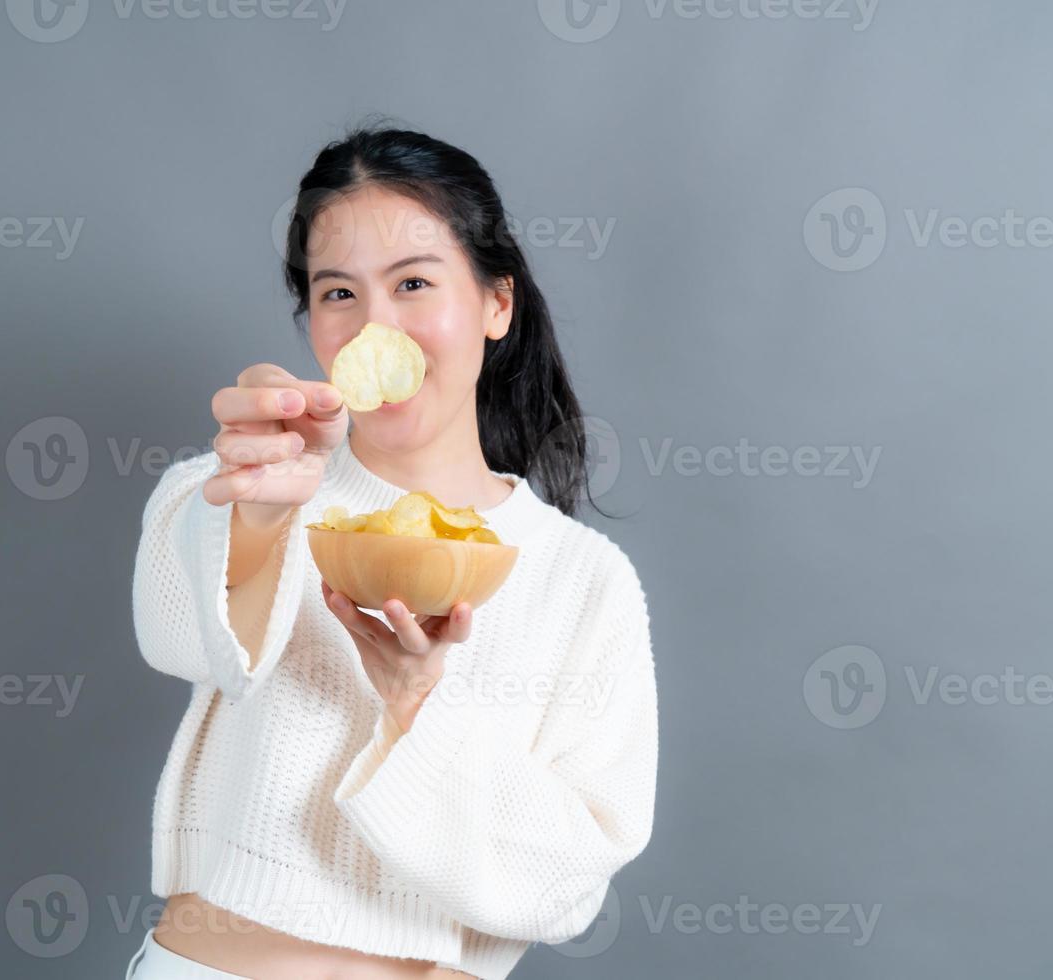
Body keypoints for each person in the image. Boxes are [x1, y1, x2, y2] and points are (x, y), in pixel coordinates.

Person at [128, 124, 658, 980]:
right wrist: (263, 517)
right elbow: (180, 636)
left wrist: (418, 708)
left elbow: (564, 889)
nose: (378, 324)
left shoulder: (581, 581)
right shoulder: (246, 484)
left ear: (496, 304)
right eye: (339, 294)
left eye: (413, 282)